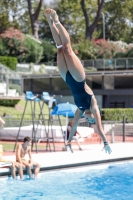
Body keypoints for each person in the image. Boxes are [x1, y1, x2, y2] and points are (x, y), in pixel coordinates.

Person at [45, 8, 112, 154]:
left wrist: (68, 142)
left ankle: (50, 23)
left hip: (67, 78)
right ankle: (57, 20)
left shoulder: (80, 110)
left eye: (91, 122)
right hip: (78, 78)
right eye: (94, 120)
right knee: (67, 49)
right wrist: (105, 142)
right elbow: (100, 128)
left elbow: (74, 126)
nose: (92, 121)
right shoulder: (92, 104)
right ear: (96, 114)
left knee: (59, 49)